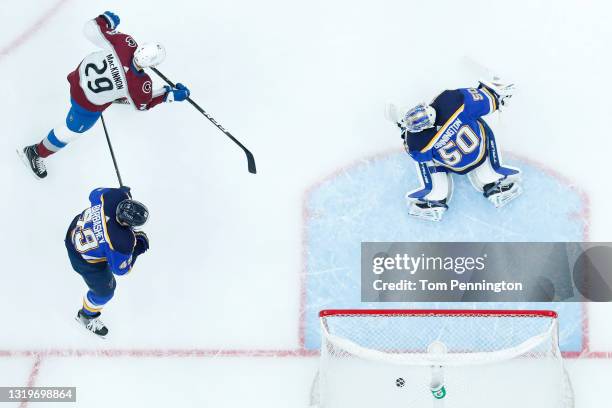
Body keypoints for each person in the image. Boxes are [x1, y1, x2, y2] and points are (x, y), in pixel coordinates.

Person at [19, 11, 191, 179]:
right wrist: (168, 95)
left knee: (125, 90)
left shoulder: (126, 43)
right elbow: (142, 105)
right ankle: (35, 152)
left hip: (77, 78)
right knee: (71, 132)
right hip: (85, 106)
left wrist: (105, 20)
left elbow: (90, 29)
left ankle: (118, 95)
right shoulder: (140, 85)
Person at [386, 78, 521, 222]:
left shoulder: (416, 141)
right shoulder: (452, 101)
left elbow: (417, 155)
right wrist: (494, 96)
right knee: (476, 121)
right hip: (478, 151)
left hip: (453, 164)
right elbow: (484, 102)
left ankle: (436, 198)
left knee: (428, 158)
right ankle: (494, 182)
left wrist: (404, 133)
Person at [66, 186, 149, 337]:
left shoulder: (111, 196)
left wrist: (120, 192)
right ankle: (86, 316)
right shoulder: (124, 242)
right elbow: (121, 269)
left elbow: (93, 193)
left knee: (104, 242)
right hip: (82, 259)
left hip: (75, 229)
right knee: (105, 292)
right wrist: (138, 248)